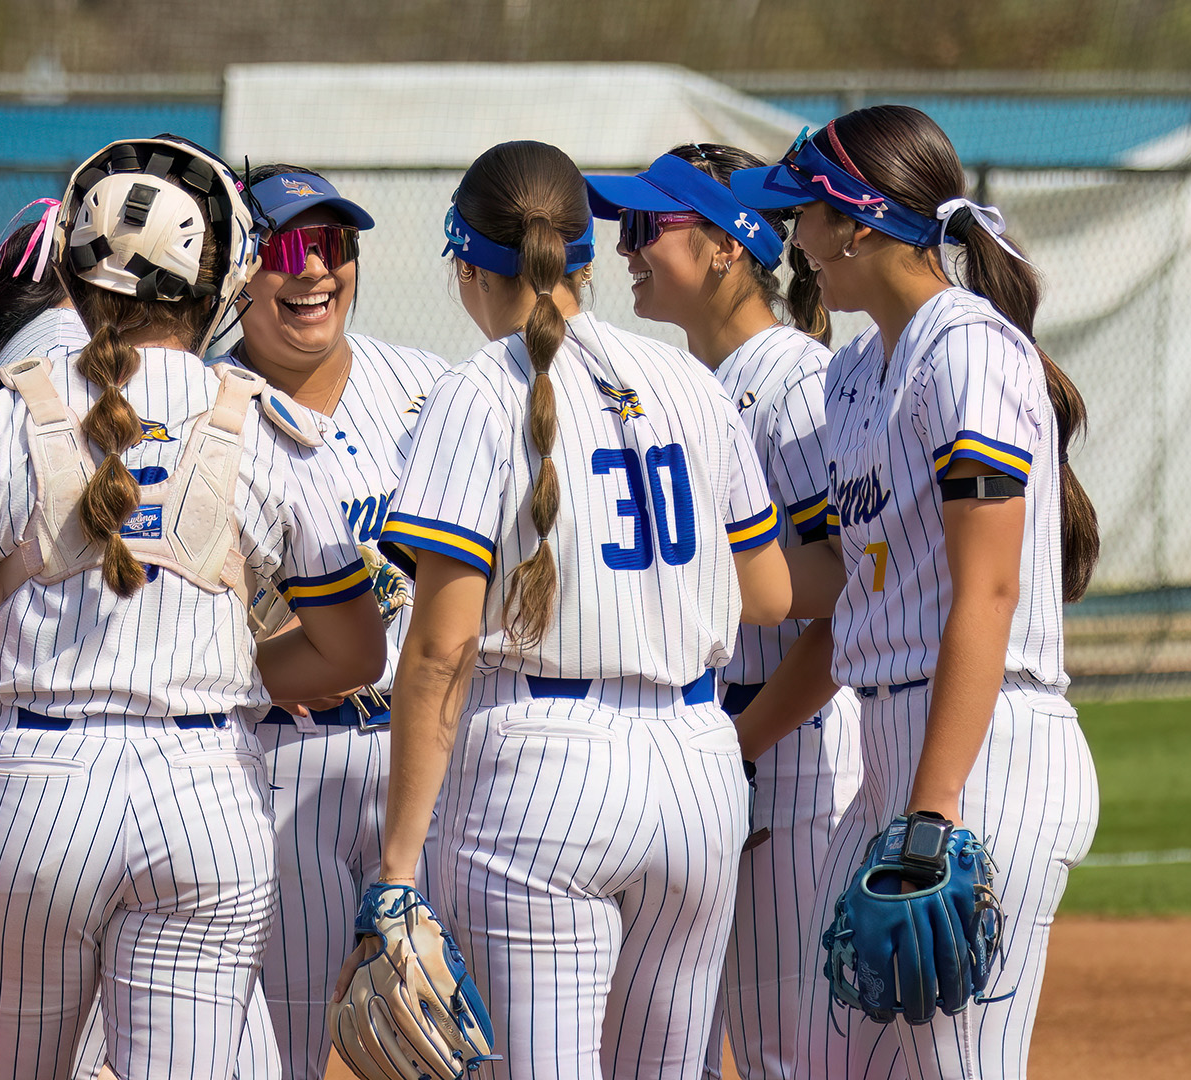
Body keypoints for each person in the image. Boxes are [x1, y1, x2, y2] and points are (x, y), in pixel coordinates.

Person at [0, 135, 385, 1080]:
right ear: (218, 281)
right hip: (205, 798)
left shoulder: (2, 413)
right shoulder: (260, 419)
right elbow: (355, 650)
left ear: (73, 269)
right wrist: (241, 681)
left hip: (31, 791)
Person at [356, 139, 796, 1080]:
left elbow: (441, 650)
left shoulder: (477, 393)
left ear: (466, 265)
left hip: (541, 778)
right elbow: (769, 595)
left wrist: (396, 870)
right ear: (588, 261)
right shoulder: (688, 381)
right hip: (696, 771)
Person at [728, 106, 1101, 1079]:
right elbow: (841, 582)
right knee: (829, 1061)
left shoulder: (967, 352)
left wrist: (931, 818)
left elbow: (987, 593)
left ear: (855, 221)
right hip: (894, 760)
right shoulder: (857, 372)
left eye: (803, 213)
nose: (795, 239)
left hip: (986, 759)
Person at [585, 142, 863, 1080]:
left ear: (726, 247)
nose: (625, 249)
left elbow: (850, 600)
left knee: (789, 1057)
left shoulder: (792, 388)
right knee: (674, 1048)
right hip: (714, 767)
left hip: (791, 771)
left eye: (645, 228)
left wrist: (737, 747)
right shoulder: (689, 386)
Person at [219, 163, 453, 1080]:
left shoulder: (429, 391)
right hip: (278, 766)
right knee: (277, 1051)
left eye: (333, 246)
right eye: (284, 248)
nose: (313, 271)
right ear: (238, 271)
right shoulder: (202, 410)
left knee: (457, 1043)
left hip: (431, 756)